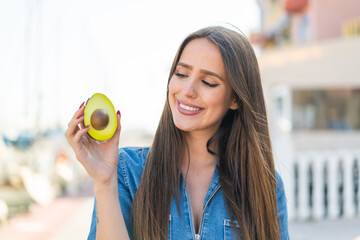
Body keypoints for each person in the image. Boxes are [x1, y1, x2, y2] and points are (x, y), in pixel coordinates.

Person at [65, 26, 289, 240]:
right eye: (181, 74)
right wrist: (104, 183)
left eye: (208, 82)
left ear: (235, 98)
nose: (187, 91)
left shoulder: (265, 186)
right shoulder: (126, 172)